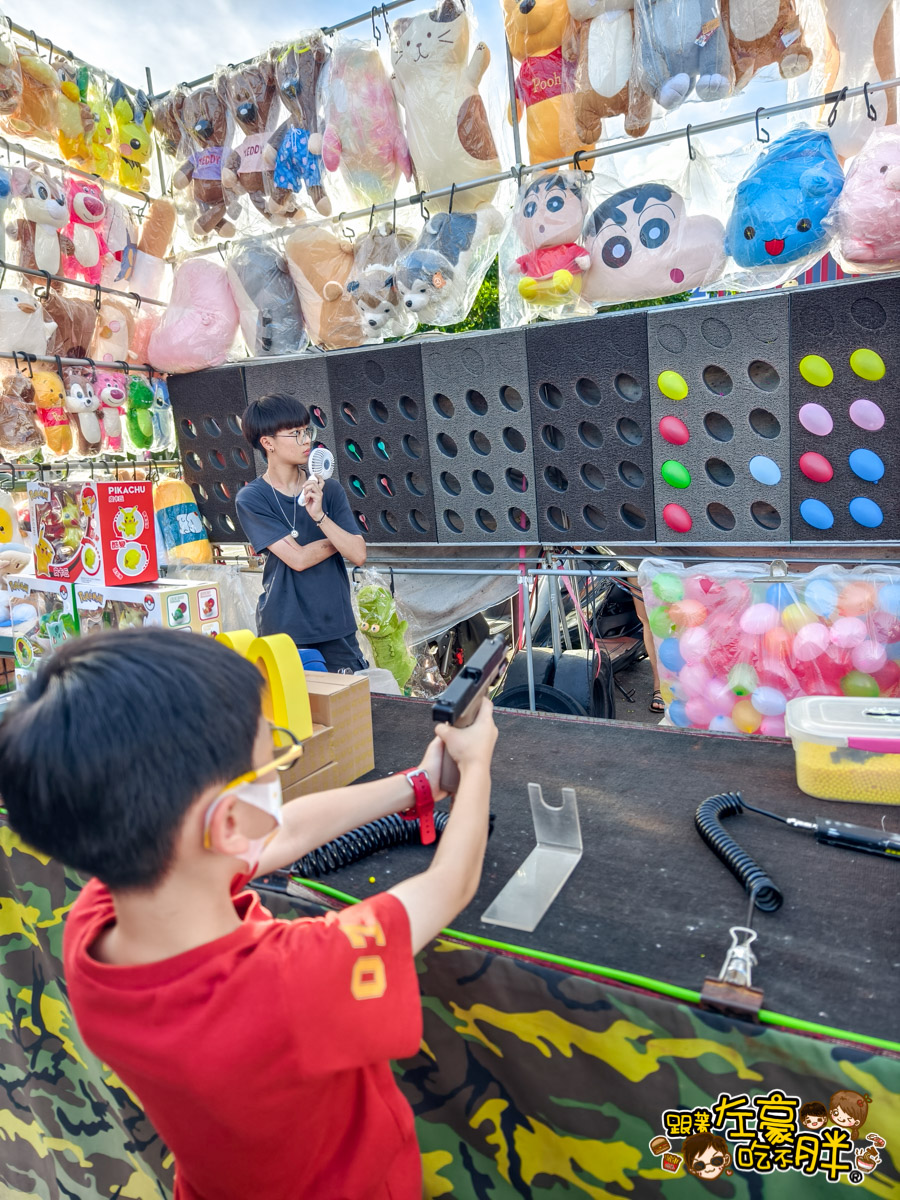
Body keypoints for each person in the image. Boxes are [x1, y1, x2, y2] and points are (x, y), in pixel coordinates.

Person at [0, 628, 498, 1200]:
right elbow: (449, 886)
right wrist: (477, 764)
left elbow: (278, 834)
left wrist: (421, 784)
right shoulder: (289, 980)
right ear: (227, 822)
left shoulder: (101, 919)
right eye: (273, 759)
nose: (277, 777)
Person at [235, 392, 368, 673]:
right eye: (295, 433)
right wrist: (338, 539)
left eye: (307, 431)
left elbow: (357, 553)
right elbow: (298, 559)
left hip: (336, 625)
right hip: (284, 629)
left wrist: (320, 516)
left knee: (348, 712)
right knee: (293, 715)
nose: (306, 439)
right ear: (267, 442)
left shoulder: (328, 489)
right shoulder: (251, 498)